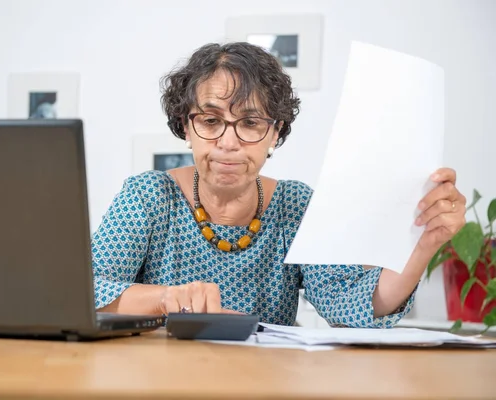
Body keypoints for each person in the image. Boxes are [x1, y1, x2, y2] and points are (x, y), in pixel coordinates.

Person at [91, 42, 466, 327]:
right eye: (210, 120)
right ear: (185, 126)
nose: (228, 142)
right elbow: (85, 292)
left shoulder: (295, 205)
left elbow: (349, 304)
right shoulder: (148, 197)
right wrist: (168, 298)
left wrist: (423, 245)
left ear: (276, 133)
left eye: (251, 123)